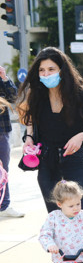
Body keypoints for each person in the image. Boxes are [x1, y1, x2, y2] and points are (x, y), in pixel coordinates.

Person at [18, 47, 83, 263]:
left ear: (62, 70)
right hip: (47, 162)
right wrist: (28, 138)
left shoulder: (81, 96)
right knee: (56, 221)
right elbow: (29, 121)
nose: (46, 74)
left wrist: (81, 136)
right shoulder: (35, 95)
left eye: (51, 69)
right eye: (42, 70)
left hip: (75, 160)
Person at [0, 64, 23, 218]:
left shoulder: (2, 80)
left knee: (3, 170)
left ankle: (4, 205)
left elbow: (14, 96)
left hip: (2, 131)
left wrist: (4, 77)